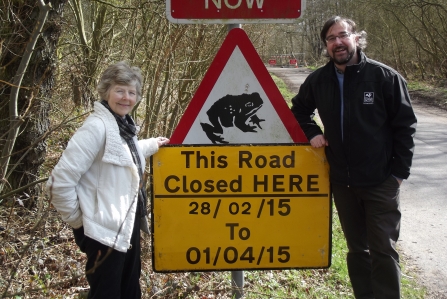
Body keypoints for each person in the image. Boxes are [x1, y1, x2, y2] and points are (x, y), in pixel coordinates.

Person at [291, 16, 417, 299]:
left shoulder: (384, 77)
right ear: (325, 45)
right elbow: (298, 110)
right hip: (343, 182)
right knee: (357, 250)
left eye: (342, 35)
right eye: (331, 38)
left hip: (381, 180)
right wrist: (312, 131)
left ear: (356, 38)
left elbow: (405, 126)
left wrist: (398, 174)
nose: (338, 42)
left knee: (383, 249)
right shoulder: (319, 80)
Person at [47, 61, 170, 299]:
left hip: (127, 224)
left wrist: (152, 144)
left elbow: (123, 154)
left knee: (130, 290)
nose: (126, 98)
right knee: (108, 293)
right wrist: (81, 221)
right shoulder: (96, 128)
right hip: (104, 233)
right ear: (106, 92)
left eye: (132, 92)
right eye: (119, 90)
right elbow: (58, 183)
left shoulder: (122, 127)